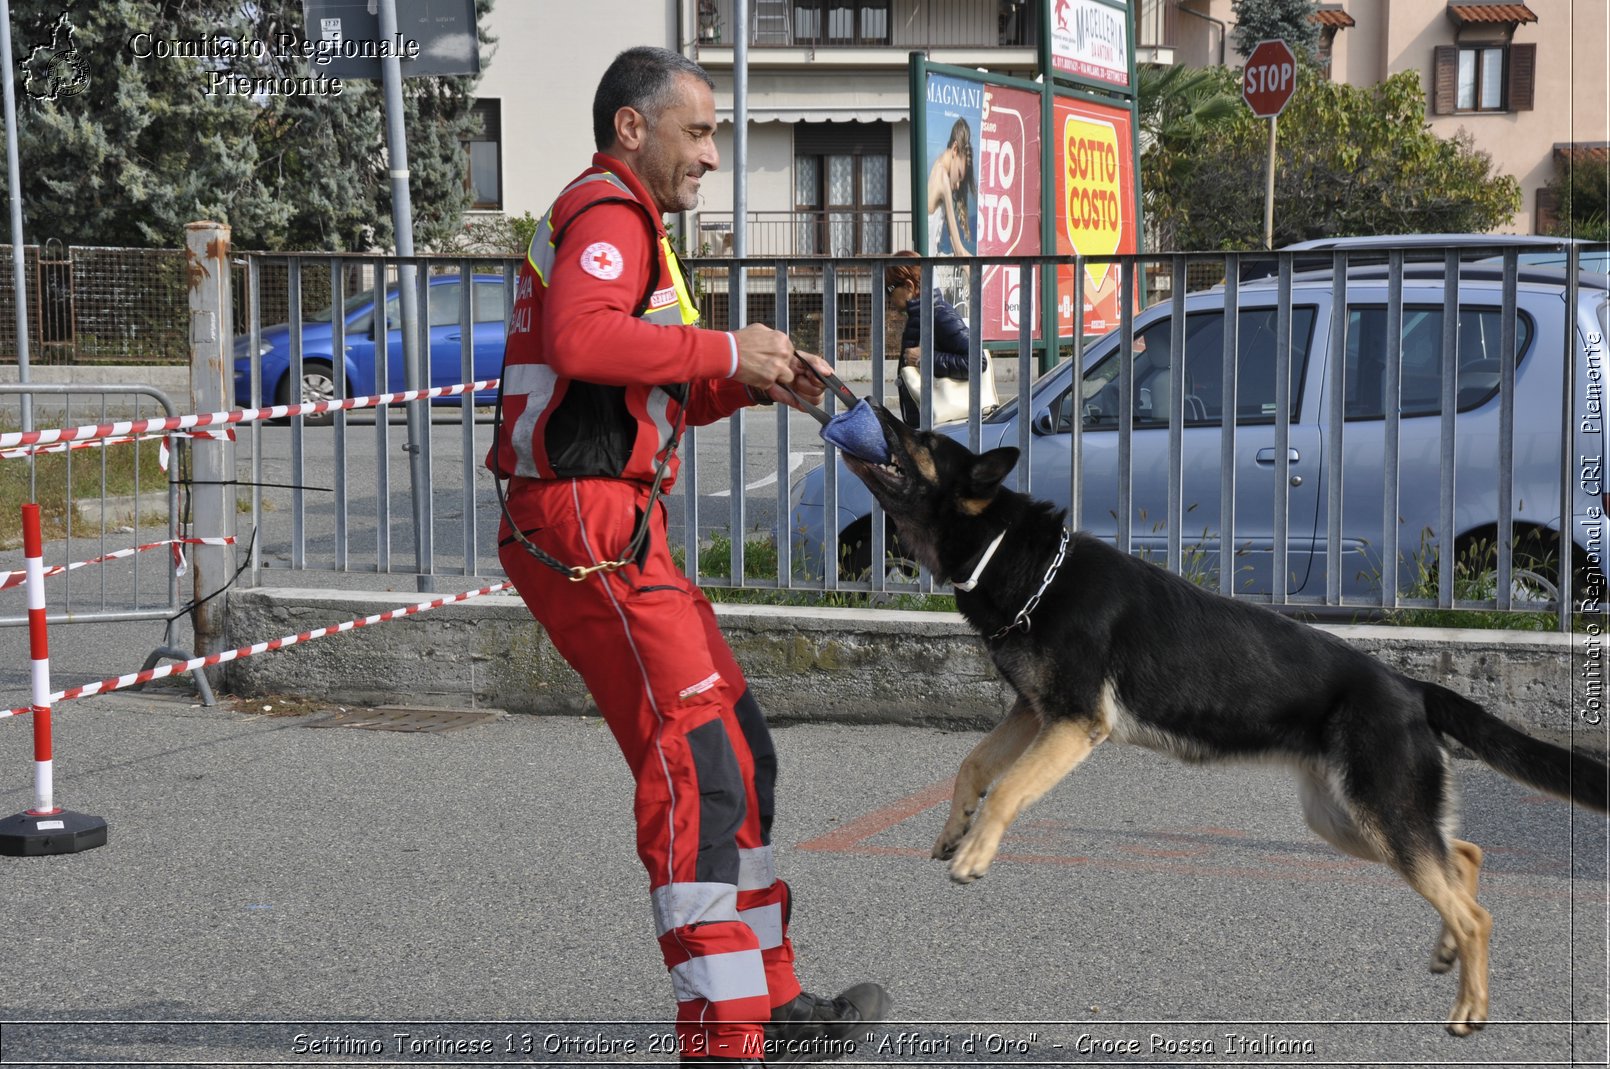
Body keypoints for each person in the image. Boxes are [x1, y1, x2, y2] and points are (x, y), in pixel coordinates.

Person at [486, 47, 889, 1066]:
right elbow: (582, 342)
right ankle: (723, 1034)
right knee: (697, 768)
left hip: (615, 525)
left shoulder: (631, 225)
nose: (713, 154)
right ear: (633, 128)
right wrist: (721, 351)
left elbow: (633, 382)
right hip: (587, 528)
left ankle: (770, 1000)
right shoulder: (610, 214)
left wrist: (755, 378)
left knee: (741, 751)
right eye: (698, 131)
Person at [885, 251, 986, 427]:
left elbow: (977, 361)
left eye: (890, 289)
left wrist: (925, 359)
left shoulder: (940, 315)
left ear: (909, 286)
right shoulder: (919, 316)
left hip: (943, 428)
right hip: (928, 424)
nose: (888, 296)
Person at [925, 118, 975, 256]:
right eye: (959, 174)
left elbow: (954, 244)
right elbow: (958, 248)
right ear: (955, 149)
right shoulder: (943, 179)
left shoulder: (937, 168)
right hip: (926, 272)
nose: (958, 185)